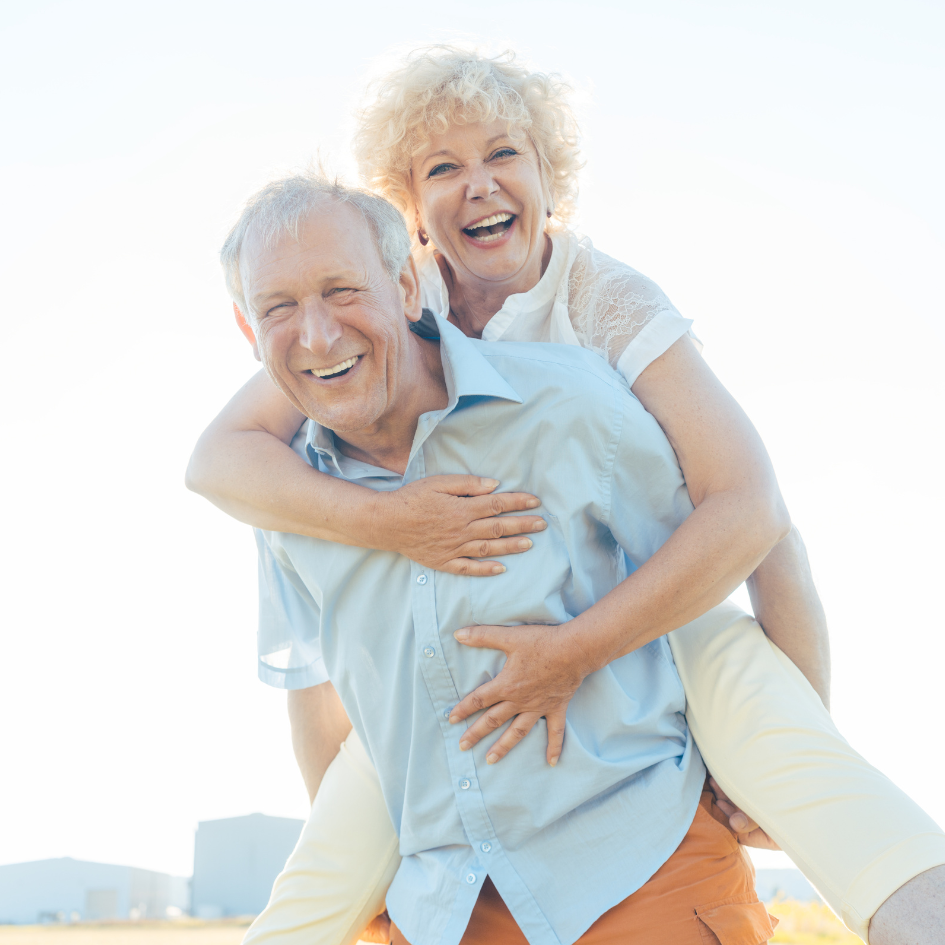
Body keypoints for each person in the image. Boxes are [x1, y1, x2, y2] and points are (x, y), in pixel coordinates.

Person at [187, 49, 945, 943]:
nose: (478, 184)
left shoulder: (602, 302)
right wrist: (393, 523)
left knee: (787, 741)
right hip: (458, 658)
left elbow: (754, 515)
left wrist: (760, 741)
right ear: (408, 207)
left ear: (551, 175)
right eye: (442, 167)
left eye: (503, 154)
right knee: (327, 863)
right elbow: (220, 461)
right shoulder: (378, 308)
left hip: (647, 603)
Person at [232, 172, 779, 945]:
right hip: (440, 908)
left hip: (642, 873)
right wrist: (369, 888)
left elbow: (736, 534)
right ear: (246, 328)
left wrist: (577, 652)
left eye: (341, 290)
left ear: (405, 286)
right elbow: (320, 693)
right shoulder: (284, 496)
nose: (316, 335)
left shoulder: (569, 404)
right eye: (278, 307)